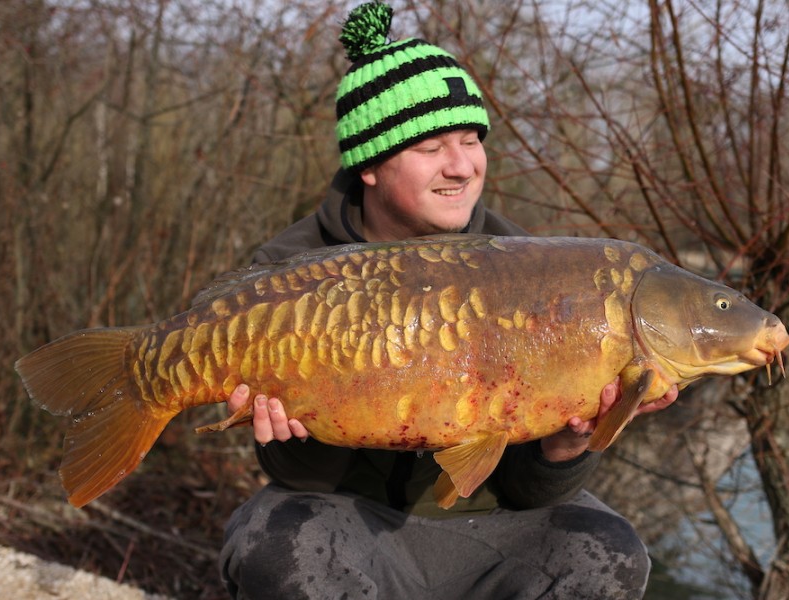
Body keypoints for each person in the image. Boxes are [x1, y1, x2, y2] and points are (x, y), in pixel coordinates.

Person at [218, 2, 677, 598]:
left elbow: (533, 493)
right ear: (371, 166)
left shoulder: (529, 266)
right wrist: (300, 433)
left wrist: (568, 445)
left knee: (607, 551)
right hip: (349, 521)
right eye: (432, 147)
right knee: (276, 544)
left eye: (471, 140)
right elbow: (302, 482)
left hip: (496, 528)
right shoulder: (289, 278)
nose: (461, 166)